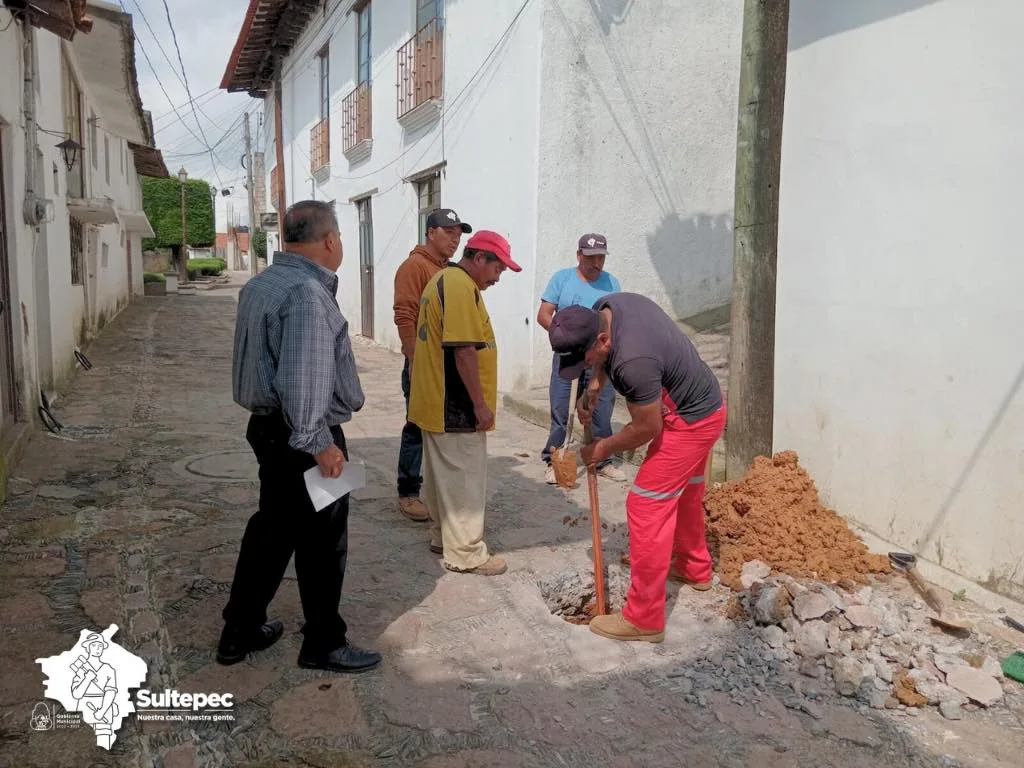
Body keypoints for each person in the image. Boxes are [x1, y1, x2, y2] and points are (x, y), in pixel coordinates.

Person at [220, 200, 381, 674]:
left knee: (273, 529)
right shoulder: (309, 293)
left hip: (270, 431)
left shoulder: (262, 284)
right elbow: (302, 377)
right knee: (323, 541)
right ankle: (324, 643)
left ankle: (241, 628)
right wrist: (321, 444)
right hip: (303, 437)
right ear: (330, 241)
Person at [548, 293, 725, 643]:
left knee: (646, 504)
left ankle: (644, 619)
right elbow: (602, 358)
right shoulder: (607, 307)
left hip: (691, 422)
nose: (583, 367)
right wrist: (595, 383)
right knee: (686, 493)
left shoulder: (633, 362)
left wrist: (601, 448)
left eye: (585, 361)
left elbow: (646, 428)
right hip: (703, 405)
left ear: (602, 340)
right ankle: (694, 568)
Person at [408, 230, 520, 576]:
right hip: (453, 403)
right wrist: (480, 404)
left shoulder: (445, 279)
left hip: (434, 400)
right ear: (479, 258)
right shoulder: (458, 285)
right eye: (498, 269)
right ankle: (467, 552)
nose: (498, 278)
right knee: (464, 481)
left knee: (443, 476)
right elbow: (464, 350)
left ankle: (444, 537)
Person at [392, 208, 473, 522]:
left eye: (458, 234)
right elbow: (405, 315)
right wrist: (414, 361)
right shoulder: (414, 267)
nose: (455, 239)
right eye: (449, 232)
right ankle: (408, 491)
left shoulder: (448, 269)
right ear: (430, 233)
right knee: (417, 425)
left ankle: (439, 489)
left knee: (441, 427)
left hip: (447, 365)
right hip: (423, 365)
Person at [536, 233, 625, 484]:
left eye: (600, 258)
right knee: (562, 408)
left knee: (602, 408)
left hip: (598, 357)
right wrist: (565, 337)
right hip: (568, 356)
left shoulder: (612, 283)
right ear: (578, 255)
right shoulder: (562, 279)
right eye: (590, 257)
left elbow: (614, 319)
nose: (595, 263)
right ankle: (554, 459)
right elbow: (544, 314)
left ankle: (603, 459)